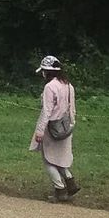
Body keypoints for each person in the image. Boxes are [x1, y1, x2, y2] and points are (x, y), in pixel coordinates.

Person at [30, 55, 79, 202]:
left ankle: (60, 189)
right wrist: (71, 124)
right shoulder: (68, 85)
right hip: (65, 126)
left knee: (48, 160)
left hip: (52, 127)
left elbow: (47, 110)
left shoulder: (49, 87)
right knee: (60, 158)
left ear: (47, 72)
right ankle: (71, 183)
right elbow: (73, 108)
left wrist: (39, 131)